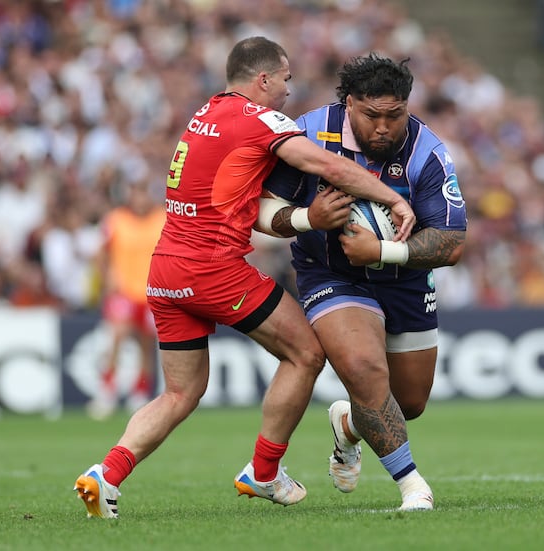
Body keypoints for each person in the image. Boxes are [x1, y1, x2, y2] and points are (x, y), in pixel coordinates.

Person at [72, 37, 415, 519]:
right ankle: (264, 470)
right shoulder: (259, 120)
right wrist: (394, 198)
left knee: (180, 393)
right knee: (306, 352)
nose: (288, 92)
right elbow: (324, 162)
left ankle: (106, 473)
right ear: (263, 80)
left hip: (166, 267)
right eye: (286, 80)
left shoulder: (203, 115)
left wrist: (303, 218)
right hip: (212, 267)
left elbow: (248, 202)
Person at [259, 53, 467, 511]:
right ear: (349, 104)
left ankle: (349, 423)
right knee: (364, 369)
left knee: (407, 403)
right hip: (331, 274)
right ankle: (412, 484)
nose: (384, 128)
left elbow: (452, 244)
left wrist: (383, 251)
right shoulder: (311, 133)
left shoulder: (427, 152)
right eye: (372, 115)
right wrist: (306, 217)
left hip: (404, 279)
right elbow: (259, 208)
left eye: (395, 115)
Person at [85, 179, 166, 419]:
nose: (140, 199)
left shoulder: (161, 218)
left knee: (146, 343)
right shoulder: (116, 220)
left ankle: (140, 392)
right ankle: (107, 389)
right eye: (136, 194)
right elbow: (100, 252)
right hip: (124, 290)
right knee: (117, 336)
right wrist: (106, 276)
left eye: (144, 194)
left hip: (152, 292)